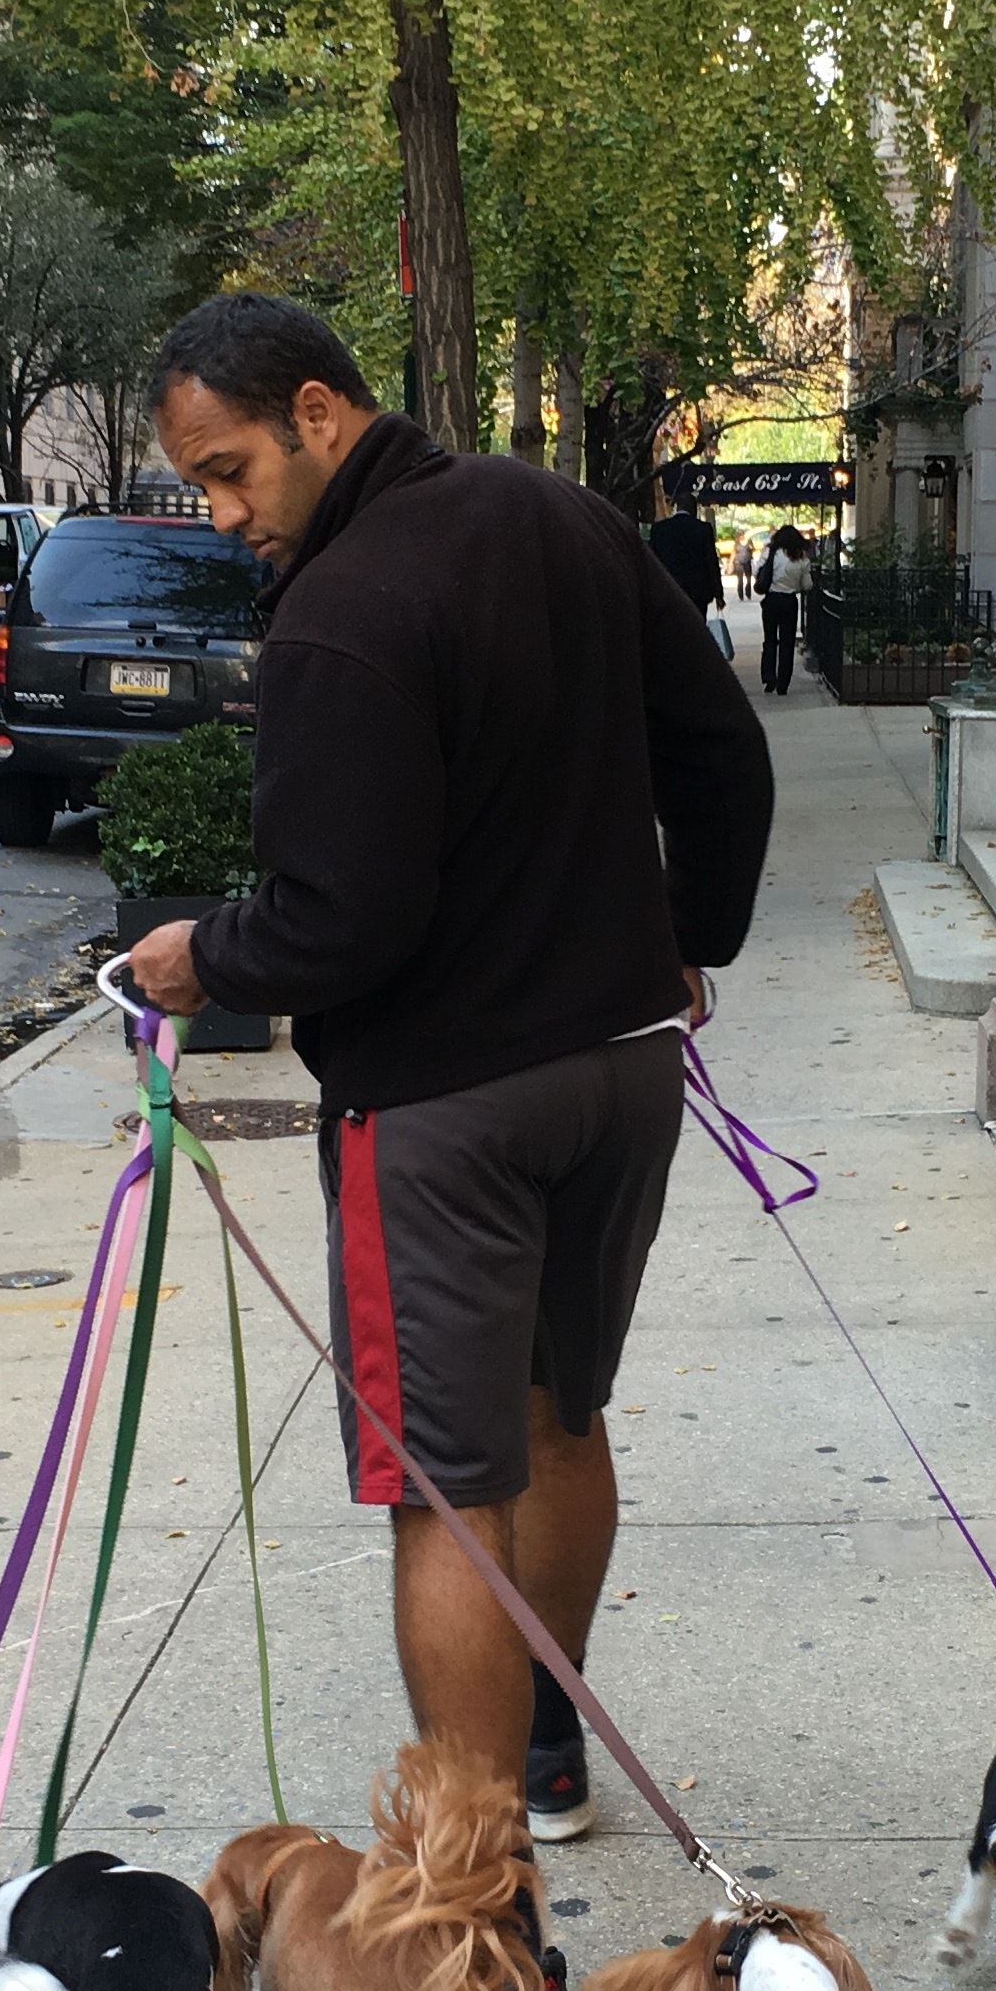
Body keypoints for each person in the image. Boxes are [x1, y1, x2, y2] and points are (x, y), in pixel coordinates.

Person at [121, 295, 774, 1844]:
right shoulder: (565, 519)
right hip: (620, 1071)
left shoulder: (339, 619)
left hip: (442, 1112)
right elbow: (724, 754)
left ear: (322, 415)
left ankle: (482, 1905)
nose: (225, 516)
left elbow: (341, 920)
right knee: (560, 1418)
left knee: (444, 1488)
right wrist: (693, 939)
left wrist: (200, 958)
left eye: (230, 471)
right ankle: (546, 1752)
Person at [644, 461, 720, 621]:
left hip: (668, 590)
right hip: (697, 592)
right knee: (697, 628)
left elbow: (652, 560)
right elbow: (711, 561)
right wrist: (718, 594)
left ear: (678, 507)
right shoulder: (703, 530)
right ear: (694, 509)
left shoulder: (660, 530)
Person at [757, 526, 813, 697]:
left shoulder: (771, 553)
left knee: (770, 640)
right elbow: (807, 585)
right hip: (789, 601)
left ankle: (769, 677)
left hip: (772, 599)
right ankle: (783, 683)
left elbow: (757, 571)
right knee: (787, 643)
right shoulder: (802, 558)